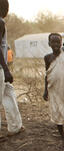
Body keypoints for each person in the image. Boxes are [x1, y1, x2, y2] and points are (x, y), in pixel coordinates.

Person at [0, 0, 24, 140]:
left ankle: (15, 126)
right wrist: (6, 69)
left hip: (2, 67)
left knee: (8, 92)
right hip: (0, 67)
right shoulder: (0, 22)